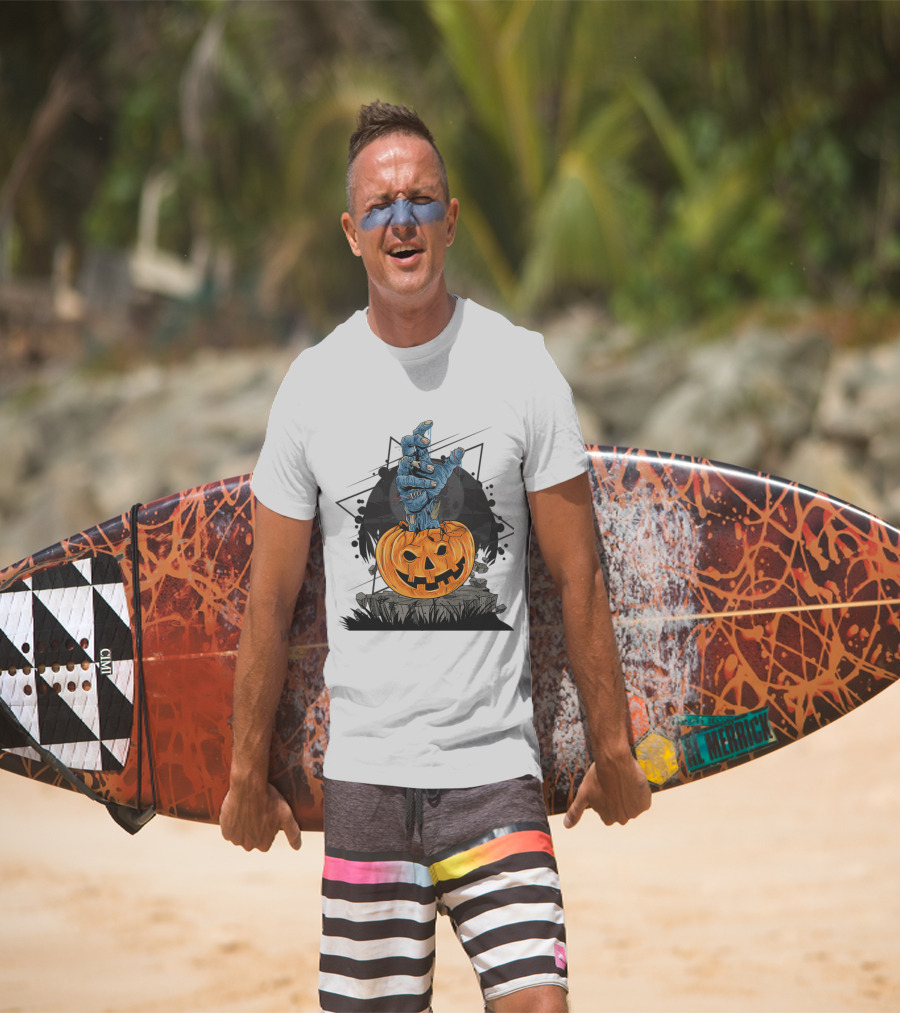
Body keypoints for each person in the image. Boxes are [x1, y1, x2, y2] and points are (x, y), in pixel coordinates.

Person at [220, 100, 651, 1013]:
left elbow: (579, 575)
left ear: (450, 219)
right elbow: (269, 601)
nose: (402, 220)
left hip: (495, 773)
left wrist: (612, 746)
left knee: (540, 1003)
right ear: (351, 232)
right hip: (368, 780)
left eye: (421, 200)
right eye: (380, 206)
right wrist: (242, 773)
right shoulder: (313, 387)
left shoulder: (521, 368)